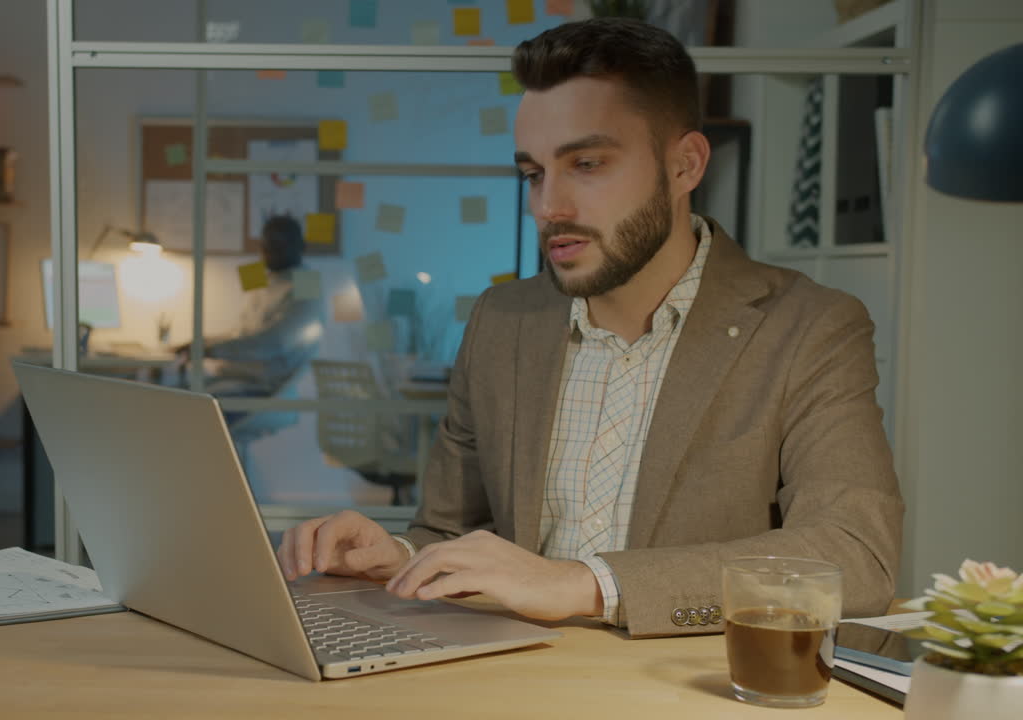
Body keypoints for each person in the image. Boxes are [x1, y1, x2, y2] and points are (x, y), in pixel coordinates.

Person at [277, 18, 903, 638]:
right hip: (504, 678)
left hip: (686, 692)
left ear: (685, 165)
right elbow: (448, 530)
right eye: (534, 173)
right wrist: (402, 556)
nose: (550, 207)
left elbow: (855, 557)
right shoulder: (502, 323)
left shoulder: (809, 327)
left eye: (588, 163)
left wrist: (583, 584)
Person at [175, 214, 323, 398]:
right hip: (238, 377)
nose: (269, 251)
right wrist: (203, 342)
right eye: (266, 245)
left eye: (278, 245)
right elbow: (243, 333)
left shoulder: (307, 284)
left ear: (301, 247)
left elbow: (273, 342)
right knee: (176, 394)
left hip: (266, 388)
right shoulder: (268, 279)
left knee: (186, 406)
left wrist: (211, 349)